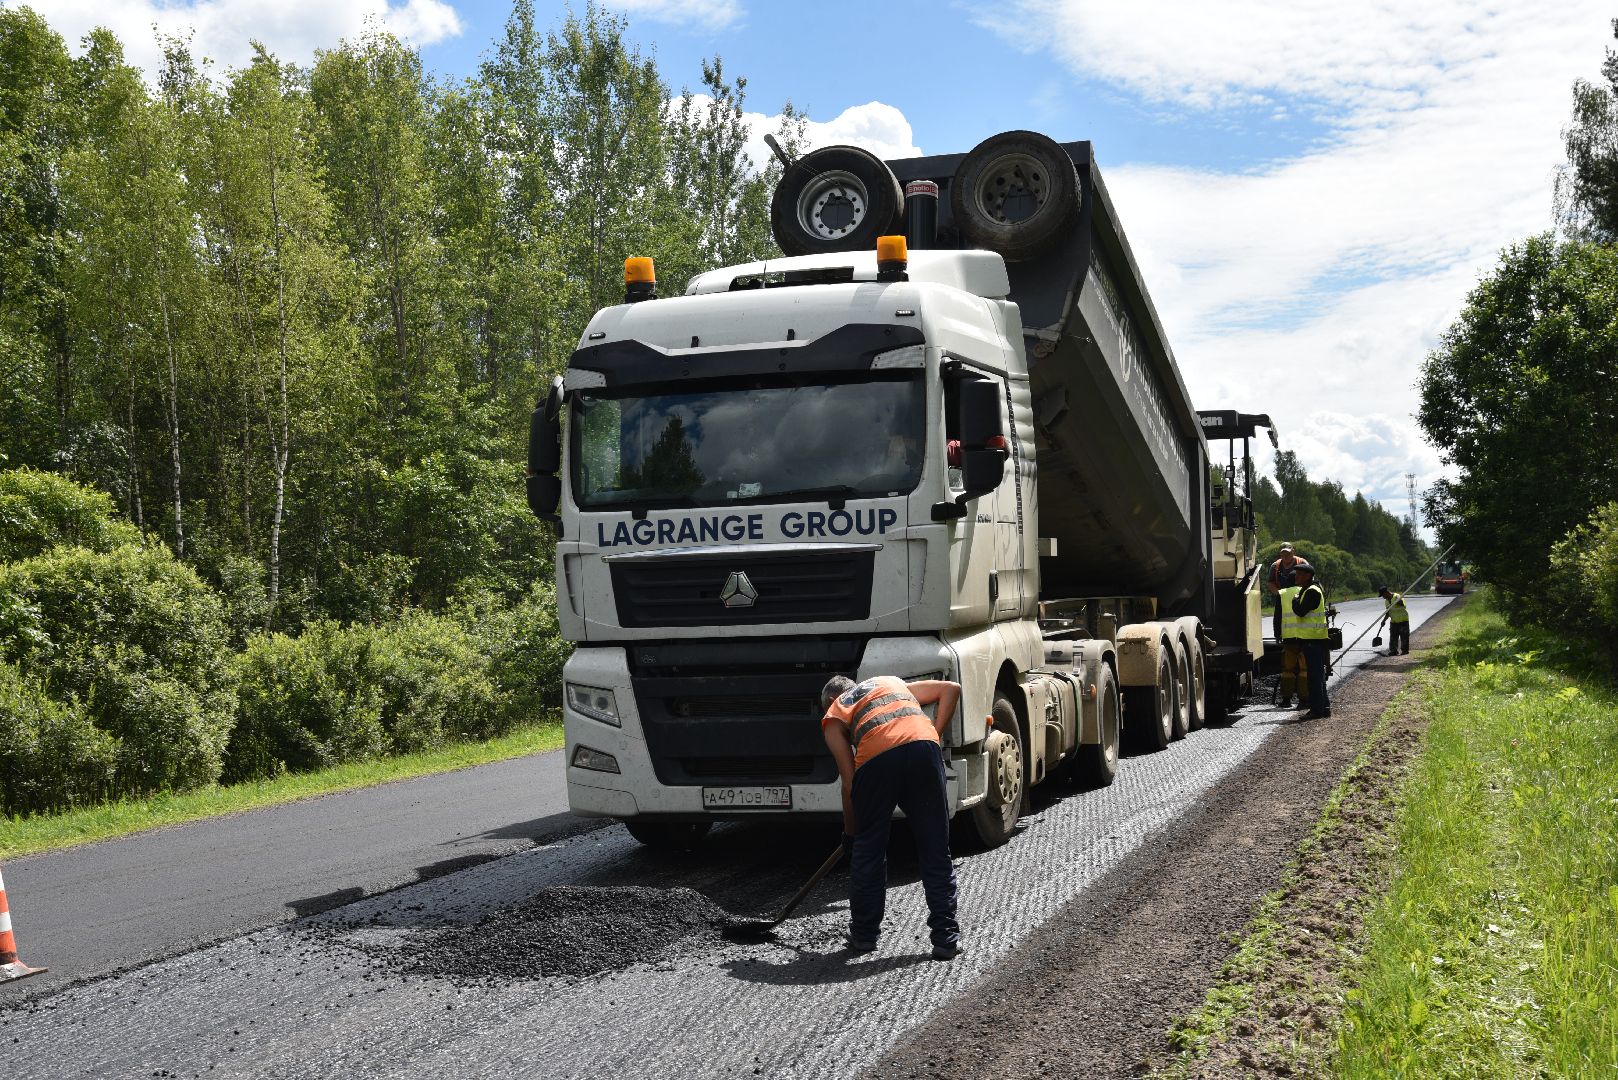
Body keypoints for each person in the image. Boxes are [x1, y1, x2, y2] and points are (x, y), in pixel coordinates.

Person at [819, 674, 962, 960]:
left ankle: (864, 935)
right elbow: (950, 689)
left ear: (830, 702)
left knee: (869, 850)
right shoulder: (890, 683)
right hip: (924, 748)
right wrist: (934, 733)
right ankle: (946, 938)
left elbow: (850, 785)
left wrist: (851, 834)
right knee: (935, 849)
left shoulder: (834, 714)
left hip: (876, 764)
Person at [1286, 561, 1331, 719]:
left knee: (1314, 677)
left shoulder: (1311, 591)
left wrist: (1294, 599)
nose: (1296, 577)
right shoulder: (1308, 589)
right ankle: (1324, 708)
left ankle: (1317, 710)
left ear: (1308, 576)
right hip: (1313, 638)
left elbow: (1300, 611)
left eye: (1299, 574)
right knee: (1318, 675)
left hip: (1314, 639)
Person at [1268, 542, 1302, 644]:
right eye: (1283, 554)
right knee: (1279, 616)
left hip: (1300, 596)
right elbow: (1270, 583)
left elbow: (1310, 579)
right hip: (1282, 596)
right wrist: (1279, 594)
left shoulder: (1302, 563)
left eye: (1287, 553)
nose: (1285, 556)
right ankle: (1279, 637)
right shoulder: (1275, 566)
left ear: (1293, 552)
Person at [1378, 586, 1410, 655]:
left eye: (1383, 595)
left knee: (1404, 637)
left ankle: (1404, 651)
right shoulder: (1386, 601)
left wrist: (1395, 602)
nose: (1383, 597)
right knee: (1393, 638)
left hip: (1403, 621)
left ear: (1386, 593)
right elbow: (1388, 613)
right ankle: (1393, 651)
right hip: (1394, 622)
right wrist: (1384, 621)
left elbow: (1402, 603)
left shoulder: (1397, 596)